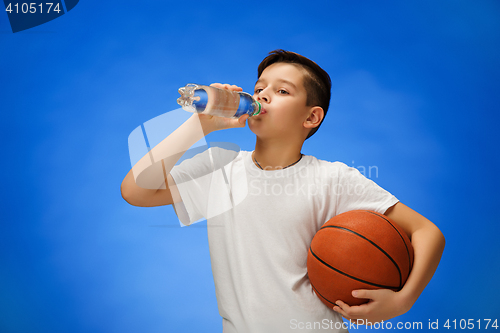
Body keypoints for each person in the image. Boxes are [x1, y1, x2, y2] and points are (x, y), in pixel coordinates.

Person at [121, 50, 445, 332]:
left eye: (281, 91)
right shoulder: (221, 168)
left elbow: (427, 232)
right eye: (259, 88)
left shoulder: (333, 178)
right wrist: (198, 126)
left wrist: (403, 301)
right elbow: (136, 191)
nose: (262, 95)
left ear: (311, 117)